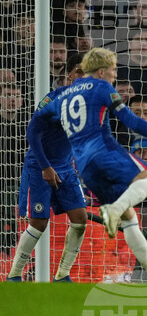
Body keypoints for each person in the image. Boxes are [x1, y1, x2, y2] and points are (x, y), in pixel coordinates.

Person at [30, 48, 147, 284]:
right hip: (105, 152)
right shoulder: (102, 87)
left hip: (84, 167)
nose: (115, 75)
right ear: (101, 70)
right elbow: (132, 120)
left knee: (130, 219)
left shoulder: (61, 96)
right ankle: (113, 210)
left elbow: (33, 128)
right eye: (114, 70)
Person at [7, 55, 87, 282]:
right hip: (40, 166)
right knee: (39, 223)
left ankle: (62, 275)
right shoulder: (53, 99)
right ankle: (14, 275)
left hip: (66, 167)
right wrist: (45, 167)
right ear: (70, 75)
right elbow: (32, 132)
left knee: (80, 218)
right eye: (79, 72)